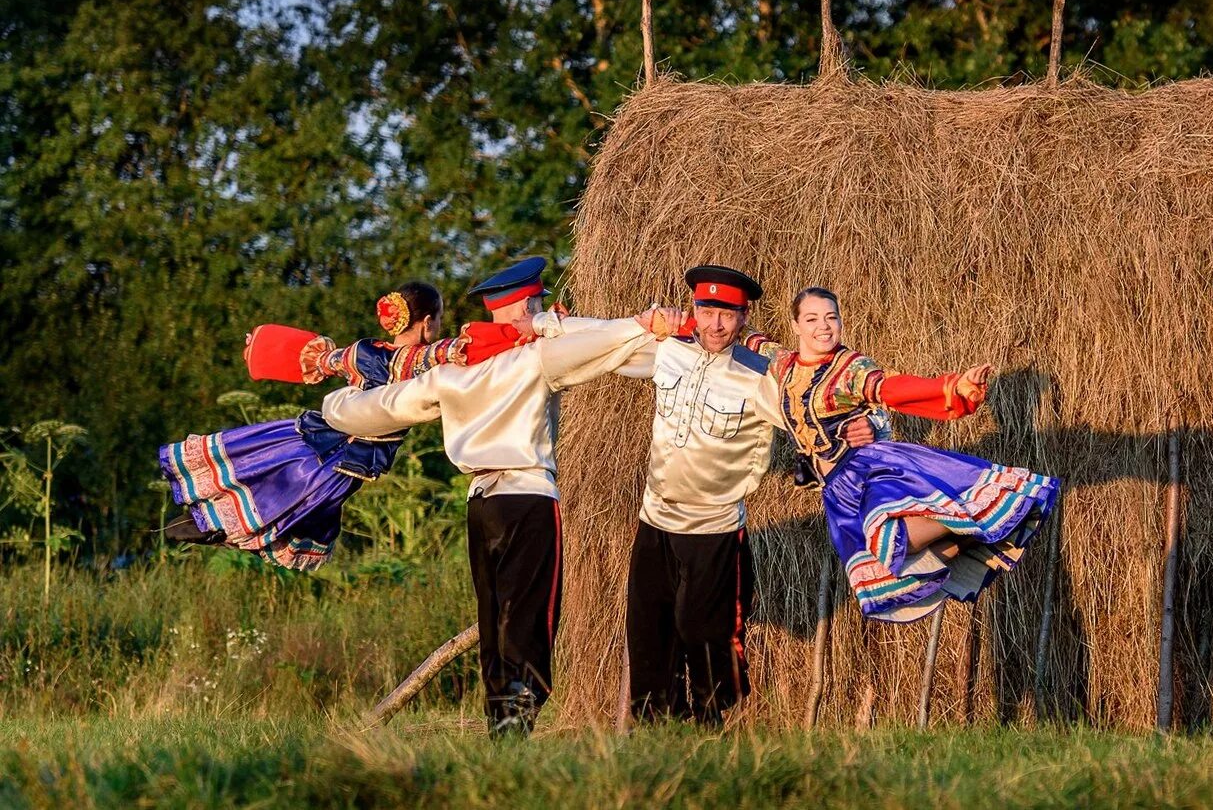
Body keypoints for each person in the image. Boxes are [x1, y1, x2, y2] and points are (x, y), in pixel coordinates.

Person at [320, 257, 673, 735]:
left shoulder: (449, 373)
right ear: (528, 306)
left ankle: (500, 728)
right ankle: (517, 726)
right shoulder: (534, 358)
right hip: (527, 497)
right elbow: (612, 345)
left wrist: (335, 400)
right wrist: (630, 323)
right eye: (540, 305)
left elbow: (374, 408)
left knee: (494, 620)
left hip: (480, 503)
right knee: (529, 618)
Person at [532, 266, 876, 725]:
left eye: (727, 314)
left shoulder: (761, 377)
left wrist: (873, 425)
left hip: (713, 530)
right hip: (654, 524)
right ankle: (658, 732)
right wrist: (546, 324)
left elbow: (818, 411)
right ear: (694, 310)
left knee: (705, 634)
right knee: (647, 633)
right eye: (706, 310)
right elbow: (604, 337)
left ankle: (710, 727)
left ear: (743, 316)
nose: (715, 324)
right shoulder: (668, 352)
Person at [159, 281, 525, 570]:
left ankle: (209, 523)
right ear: (428, 323)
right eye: (439, 320)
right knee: (290, 503)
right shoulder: (420, 359)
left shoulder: (363, 350)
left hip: (321, 433)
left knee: (265, 478)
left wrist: (268, 349)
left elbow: (322, 360)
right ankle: (219, 528)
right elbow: (465, 349)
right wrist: (526, 331)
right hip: (349, 455)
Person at [771, 287, 1060, 622]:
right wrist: (693, 325)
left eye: (831, 317)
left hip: (866, 470)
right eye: (811, 319)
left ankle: (970, 514)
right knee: (889, 572)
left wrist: (948, 389)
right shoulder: (783, 365)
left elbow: (892, 389)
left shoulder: (851, 369)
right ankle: (969, 533)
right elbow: (751, 340)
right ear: (795, 325)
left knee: (893, 540)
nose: (823, 326)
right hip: (836, 491)